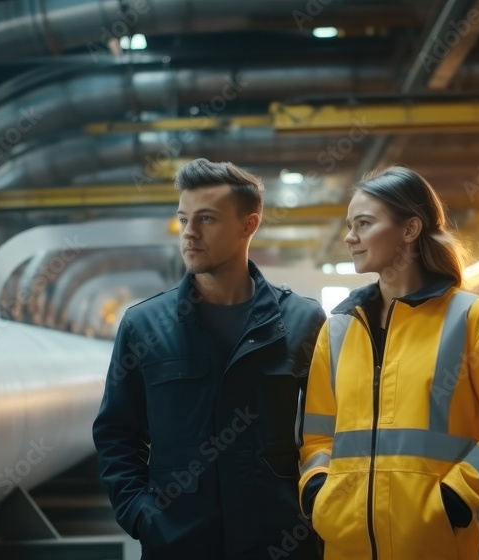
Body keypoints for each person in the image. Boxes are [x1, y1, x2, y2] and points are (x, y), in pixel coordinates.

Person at [297, 166, 479, 560]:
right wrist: (317, 489)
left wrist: (456, 498)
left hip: (432, 543)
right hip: (345, 544)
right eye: (349, 225)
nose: (350, 237)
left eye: (364, 223)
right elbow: (318, 435)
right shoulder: (339, 329)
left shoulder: (473, 319)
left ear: (410, 230)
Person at [93, 158, 325, 559]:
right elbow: (117, 434)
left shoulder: (302, 321)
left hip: (280, 540)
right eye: (183, 219)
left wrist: (312, 509)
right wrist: (140, 514)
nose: (189, 233)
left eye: (206, 219)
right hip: (179, 542)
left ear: (248, 226)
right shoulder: (144, 325)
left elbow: (329, 430)